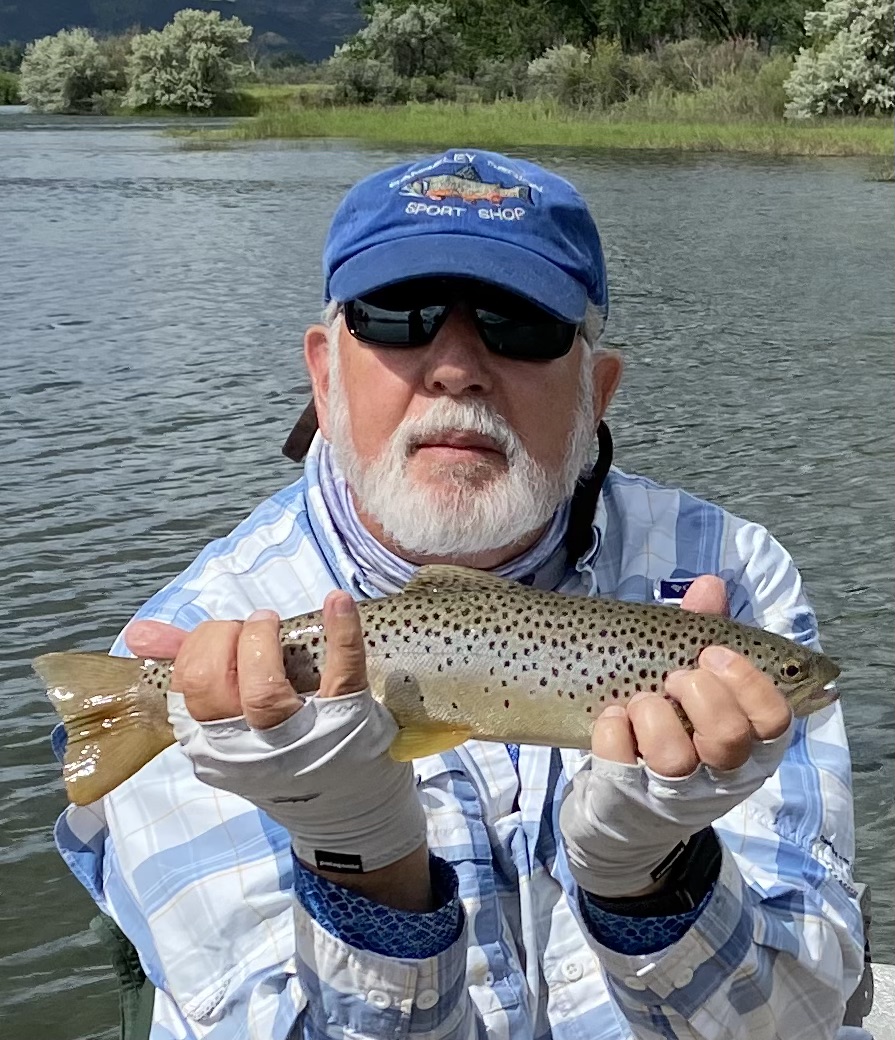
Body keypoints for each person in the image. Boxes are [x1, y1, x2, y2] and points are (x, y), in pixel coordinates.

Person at [53, 148, 868, 1040]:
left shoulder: (730, 573)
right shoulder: (200, 644)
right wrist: (362, 869)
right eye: (397, 318)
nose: (454, 368)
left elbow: (796, 1020)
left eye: (518, 324)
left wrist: (654, 880)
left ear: (596, 391)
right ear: (323, 374)